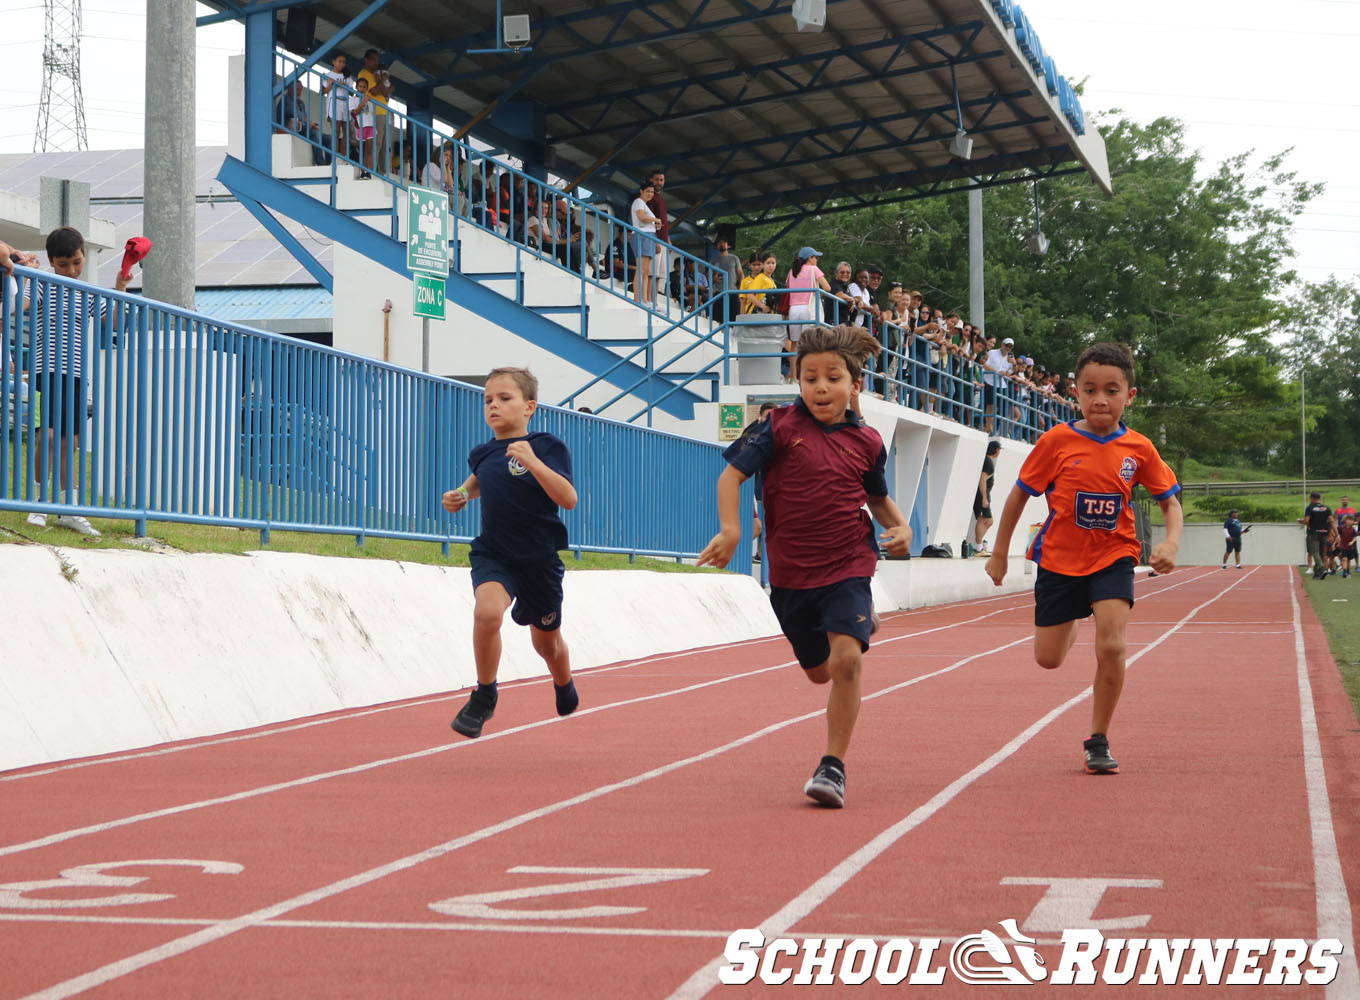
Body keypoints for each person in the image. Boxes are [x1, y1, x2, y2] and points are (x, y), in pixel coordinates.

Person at [698, 325, 913, 808]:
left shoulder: (868, 442)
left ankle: (832, 766)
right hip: (792, 574)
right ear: (797, 382)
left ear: (854, 385)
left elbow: (877, 500)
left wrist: (902, 529)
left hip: (848, 563)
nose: (820, 387)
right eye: (809, 377)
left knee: (847, 663)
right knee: (820, 673)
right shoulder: (777, 426)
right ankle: (852, 631)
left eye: (832, 377)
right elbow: (731, 477)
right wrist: (734, 530)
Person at [985, 342, 1183, 776]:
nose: (1100, 399)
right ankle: (1074, 617)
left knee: (1113, 646)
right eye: (1090, 389)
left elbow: (1170, 502)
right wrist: (1000, 554)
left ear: (1129, 395)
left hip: (1114, 556)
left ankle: (1098, 739)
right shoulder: (1057, 440)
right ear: (1075, 392)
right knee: (1048, 659)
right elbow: (1019, 494)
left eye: (1111, 390)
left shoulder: (1139, 448)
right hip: (1059, 560)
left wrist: (1170, 543)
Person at [441, 367, 580, 738]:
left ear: (529, 406)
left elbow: (568, 499)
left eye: (505, 398)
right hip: (495, 554)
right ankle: (485, 695)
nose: (494, 406)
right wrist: (460, 497)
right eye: (488, 400)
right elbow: (477, 483)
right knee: (486, 613)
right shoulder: (483, 453)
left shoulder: (547, 446)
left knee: (546, 644)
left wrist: (533, 461)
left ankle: (563, 682)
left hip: (539, 560)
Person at [17, 227, 135, 537]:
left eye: (77, 262)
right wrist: (25, 276)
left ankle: (69, 509)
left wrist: (120, 287)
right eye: (63, 264)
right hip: (46, 371)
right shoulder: (43, 283)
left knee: (72, 441)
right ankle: (40, 503)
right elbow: (21, 305)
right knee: (49, 435)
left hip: (78, 375)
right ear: (51, 263)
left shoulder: (87, 292)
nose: (71, 269)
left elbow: (116, 323)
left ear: (83, 256)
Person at [782, 247, 830, 381]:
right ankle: (808, 375)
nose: (817, 260)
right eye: (816, 257)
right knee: (810, 343)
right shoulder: (814, 269)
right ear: (810, 258)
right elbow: (827, 287)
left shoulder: (792, 271)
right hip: (809, 308)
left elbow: (787, 286)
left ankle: (794, 376)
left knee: (795, 343)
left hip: (794, 309)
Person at [629, 181, 660, 305]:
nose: (650, 194)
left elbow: (645, 220)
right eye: (648, 191)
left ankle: (645, 299)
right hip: (642, 235)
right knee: (641, 269)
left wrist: (655, 225)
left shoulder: (645, 205)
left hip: (649, 236)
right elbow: (641, 217)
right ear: (641, 191)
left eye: (652, 192)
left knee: (646, 271)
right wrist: (655, 219)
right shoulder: (638, 202)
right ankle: (638, 298)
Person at [320, 52, 350, 162]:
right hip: (334, 102)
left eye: (344, 62)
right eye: (339, 61)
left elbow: (352, 93)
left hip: (346, 103)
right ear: (333, 62)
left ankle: (343, 157)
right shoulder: (328, 75)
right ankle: (336, 157)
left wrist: (345, 85)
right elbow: (323, 91)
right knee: (336, 131)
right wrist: (331, 84)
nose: (342, 64)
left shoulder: (347, 76)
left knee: (346, 132)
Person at [972, 440, 1000, 554]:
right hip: (982, 494)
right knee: (985, 520)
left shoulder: (987, 461)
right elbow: (982, 480)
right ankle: (978, 547)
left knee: (986, 520)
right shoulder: (988, 462)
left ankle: (978, 544)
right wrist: (984, 497)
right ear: (996, 450)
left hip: (984, 494)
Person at [1299, 491, 1334, 580]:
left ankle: (1322, 567)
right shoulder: (1326, 508)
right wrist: (1334, 531)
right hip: (1324, 533)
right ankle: (1318, 573)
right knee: (1322, 553)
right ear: (1320, 498)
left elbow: (1307, 521)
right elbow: (1331, 520)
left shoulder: (1310, 508)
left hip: (1313, 533)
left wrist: (1302, 522)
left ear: (1312, 498)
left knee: (1314, 552)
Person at [1336, 513, 1357, 579]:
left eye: (1351, 520)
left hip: (1350, 547)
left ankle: (1348, 571)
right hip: (1343, 546)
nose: (1350, 521)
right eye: (1349, 520)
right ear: (1345, 520)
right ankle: (1344, 572)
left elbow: (1355, 537)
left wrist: (1352, 542)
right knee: (1345, 558)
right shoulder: (1341, 528)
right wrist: (1337, 542)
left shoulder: (1353, 529)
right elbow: (1338, 536)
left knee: (1348, 560)